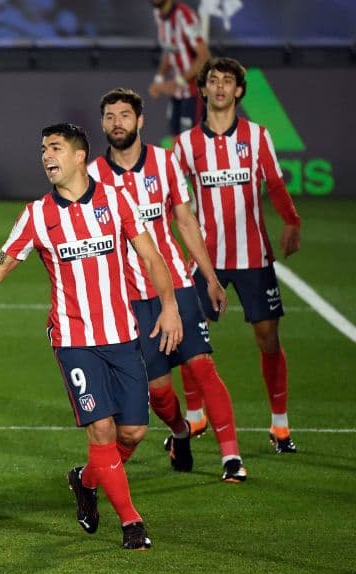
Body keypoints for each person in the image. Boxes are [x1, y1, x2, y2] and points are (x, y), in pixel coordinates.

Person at [0, 124, 184, 550]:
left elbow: (152, 257)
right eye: (43, 148)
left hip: (121, 336)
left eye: (56, 148)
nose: (46, 155)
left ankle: (85, 479)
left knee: (132, 433)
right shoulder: (37, 214)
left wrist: (170, 306)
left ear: (80, 156)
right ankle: (131, 522)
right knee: (101, 429)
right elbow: (0, 264)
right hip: (73, 340)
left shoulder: (116, 200)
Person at [89, 87, 247, 482]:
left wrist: (209, 278)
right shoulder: (93, 175)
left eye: (125, 115)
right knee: (159, 392)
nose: (117, 123)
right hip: (130, 299)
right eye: (110, 117)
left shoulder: (165, 162)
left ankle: (231, 458)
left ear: (141, 121)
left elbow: (186, 221)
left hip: (176, 284)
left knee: (202, 367)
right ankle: (180, 431)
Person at [174, 57, 302, 454]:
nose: (220, 87)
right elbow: (174, 200)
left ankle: (279, 424)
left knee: (267, 338)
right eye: (213, 81)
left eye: (227, 82)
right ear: (204, 90)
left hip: (253, 257)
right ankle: (195, 417)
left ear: (239, 91)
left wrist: (291, 221)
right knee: (189, 339)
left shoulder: (258, 136)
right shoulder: (185, 145)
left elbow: (276, 184)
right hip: (205, 259)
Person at [149, 0, 211, 138]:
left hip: (194, 93)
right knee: (175, 141)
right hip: (177, 94)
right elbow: (169, 51)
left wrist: (177, 82)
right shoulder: (158, 15)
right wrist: (159, 79)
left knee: (192, 144)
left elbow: (204, 56)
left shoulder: (185, 15)